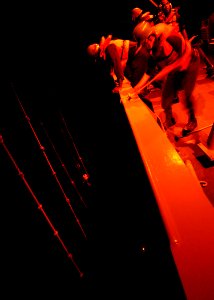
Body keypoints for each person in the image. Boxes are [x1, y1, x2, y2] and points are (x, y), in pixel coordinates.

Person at [132, 21, 201, 136]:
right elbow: (148, 73)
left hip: (190, 63)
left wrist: (169, 68)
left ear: (153, 35)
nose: (147, 44)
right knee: (165, 97)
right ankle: (169, 119)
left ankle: (192, 120)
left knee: (187, 94)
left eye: (148, 40)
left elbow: (186, 54)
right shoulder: (152, 52)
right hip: (174, 69)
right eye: (144, 43)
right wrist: (137, 87)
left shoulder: (171, 39)